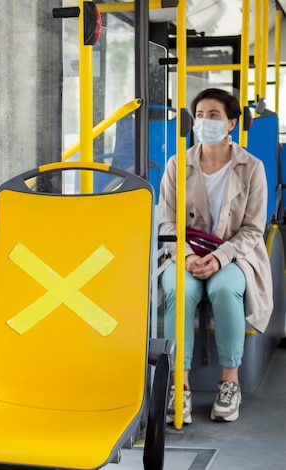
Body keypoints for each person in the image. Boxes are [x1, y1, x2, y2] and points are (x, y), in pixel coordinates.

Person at [158, 88, 273, 424]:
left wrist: (221, 257)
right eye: (201, 115)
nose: (205, 122)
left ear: (231, 123)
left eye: (214, 116)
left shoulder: (251, 168)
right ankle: (180, 386)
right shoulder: (178, 163)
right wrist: (189, 256)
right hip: (184, 252)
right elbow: (167, 220)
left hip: (236, 255)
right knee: (182, 290)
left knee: (225, 289)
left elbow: (253, 229)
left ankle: (229, 381)